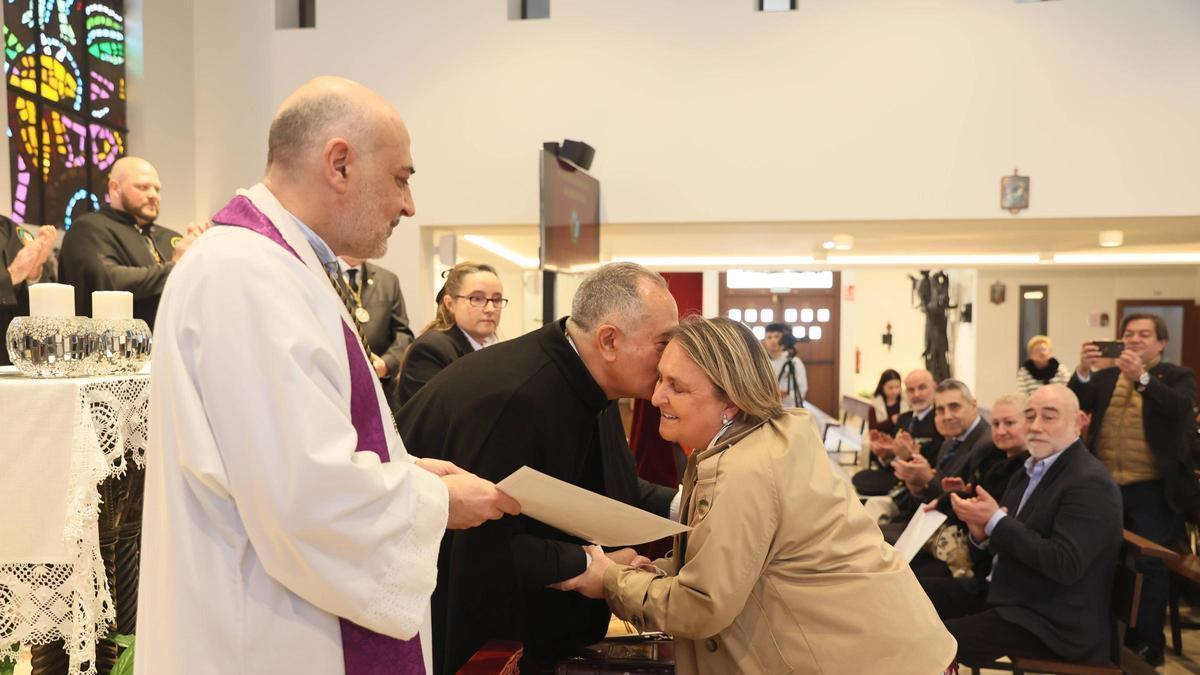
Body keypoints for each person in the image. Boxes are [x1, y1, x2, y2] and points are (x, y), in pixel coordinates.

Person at [136, 76, 519, 675]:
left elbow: (289, 451)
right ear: (339, 164)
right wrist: (436, 501)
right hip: (264, 634)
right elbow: (301, 493)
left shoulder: (277, 266)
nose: (409, 205)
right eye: (400, 178)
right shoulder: (246, 274)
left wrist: (405, 471)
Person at [556, 317, 956, 675]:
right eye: (660, 379)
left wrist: (610, 580)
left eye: (677, 386)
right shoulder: (757, 441)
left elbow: (701, 605)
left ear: (731, 402)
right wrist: (654, 572)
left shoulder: (745, 468)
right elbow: (741, 563)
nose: (657, 396)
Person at [395, 262, 681, 675]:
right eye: (662, 343)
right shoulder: (515, 400)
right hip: (482, 637)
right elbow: (481, 546)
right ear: (608, 340)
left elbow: (611, 487)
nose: (670, 359)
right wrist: (590, 565)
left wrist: (685, 506)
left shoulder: (590, 379)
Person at [920, 384, 1123, 668]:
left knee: (926, 642)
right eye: (1029, 416)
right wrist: (982, 535)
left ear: (1077, 422)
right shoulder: (1028, 471)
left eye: (1049, 416)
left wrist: (995, 522)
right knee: (907, 593)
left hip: (1050, 619)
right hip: (1005, 592)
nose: (1036, 426)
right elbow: (1003, 547)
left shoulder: (1089, 482)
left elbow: (1064, 564)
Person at [1069, 313, 1200, 665]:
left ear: (1162, 343)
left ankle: (1147, 646)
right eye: (1129, 334)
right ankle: (1105, 640)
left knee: (1149, 567)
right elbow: (1077, 401)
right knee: (1101, 562)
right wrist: (1083, 371)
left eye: (1144, 334)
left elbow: (1180, 409)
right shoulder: (1107, 376)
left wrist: (1141, 378)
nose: (1135, 339)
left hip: (1152, 489)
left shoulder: (1177, 375)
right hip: (1106, 486)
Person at [58, 157, 205, 325]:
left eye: (157, 189)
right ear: (115, 188)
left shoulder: (170, 237)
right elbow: (109, 281)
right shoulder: (88, 228)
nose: (153, 195)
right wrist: (176, 267)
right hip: (111, 337)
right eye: (143, 187)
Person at [914, 393, 1031, 579]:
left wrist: (956, 499)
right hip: (968, 543)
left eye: (1009, 423)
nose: (1001, 431)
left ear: (1029, 424)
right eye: (995, 424)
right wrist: (954, 497)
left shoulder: (1030, 470)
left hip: (992, 560)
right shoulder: (988, 456)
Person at [395, 261, 504, 407]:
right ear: (450, 304)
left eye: (496, 299)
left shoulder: (498, 349)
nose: (490, 309)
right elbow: (438, 414)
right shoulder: (431, 349)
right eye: (477, 298)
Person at [338, 255, 414, 412]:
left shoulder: (388, 280)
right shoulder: (323, 273)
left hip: (382, 387)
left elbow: (403, 334)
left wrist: (385, 364)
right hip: (341, 382)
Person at [855, 368, 943, 497]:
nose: (916, 394)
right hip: (895, 476)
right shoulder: (904, 419)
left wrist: (911, 456)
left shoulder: (940, 420)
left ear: (934, 387)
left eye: (922, 388)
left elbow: (938, 461)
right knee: (858, 480)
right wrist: (886, 454)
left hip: (921, 487)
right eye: (911, 390)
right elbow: (891, 459)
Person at [1, 218, 56, 366]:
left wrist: (34, 273)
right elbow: (14, 273)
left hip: (16, 361)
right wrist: (11, 275)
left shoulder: (15, 232)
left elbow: (45, 304)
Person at [761, 322, 807, 407]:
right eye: (769, 337)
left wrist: (785, 395)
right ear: (764, 341)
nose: (773, 341)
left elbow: (802, 389)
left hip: (790, 408)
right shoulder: (761, 363)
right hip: (766, 407)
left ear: (784, 339)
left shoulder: (794, 362)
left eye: (777, 337)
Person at [868, 368, 906, 435]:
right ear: (882, 387)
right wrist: (891, 421)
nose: (894, 391)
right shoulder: (876, 404)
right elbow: (872, 428)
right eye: (890, 388)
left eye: (897, 387)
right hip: (883, 438)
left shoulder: (907, 400)